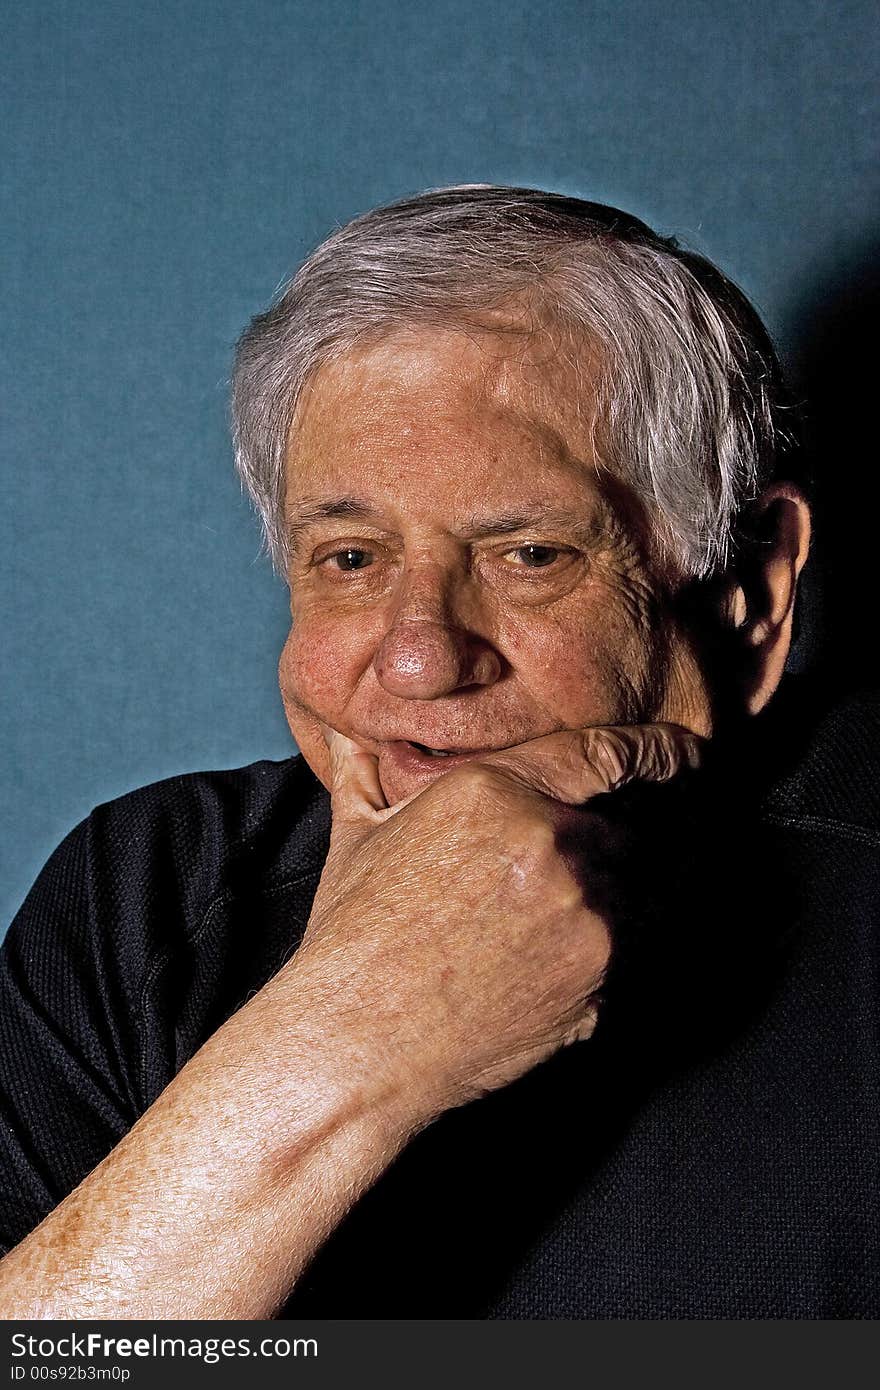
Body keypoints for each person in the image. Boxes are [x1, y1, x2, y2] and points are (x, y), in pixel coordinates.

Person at [0, 186, 876, 1319]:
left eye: (531, 553)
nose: (417, 659)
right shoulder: (147, 899)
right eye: (351, 558)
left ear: (751, 598)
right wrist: (344, 1035)